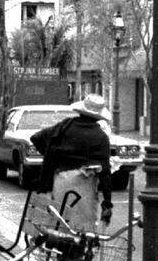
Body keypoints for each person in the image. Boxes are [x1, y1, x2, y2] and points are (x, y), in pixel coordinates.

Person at [30, 94, 113, 230]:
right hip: (84, 187)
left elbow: (36, 138)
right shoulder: (100, 137)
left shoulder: (65, 126)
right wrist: (107, 203)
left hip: (60, 180)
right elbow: (105, 172)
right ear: (99, 116)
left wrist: (52, 156)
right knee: (81, 230)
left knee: (59, 223)